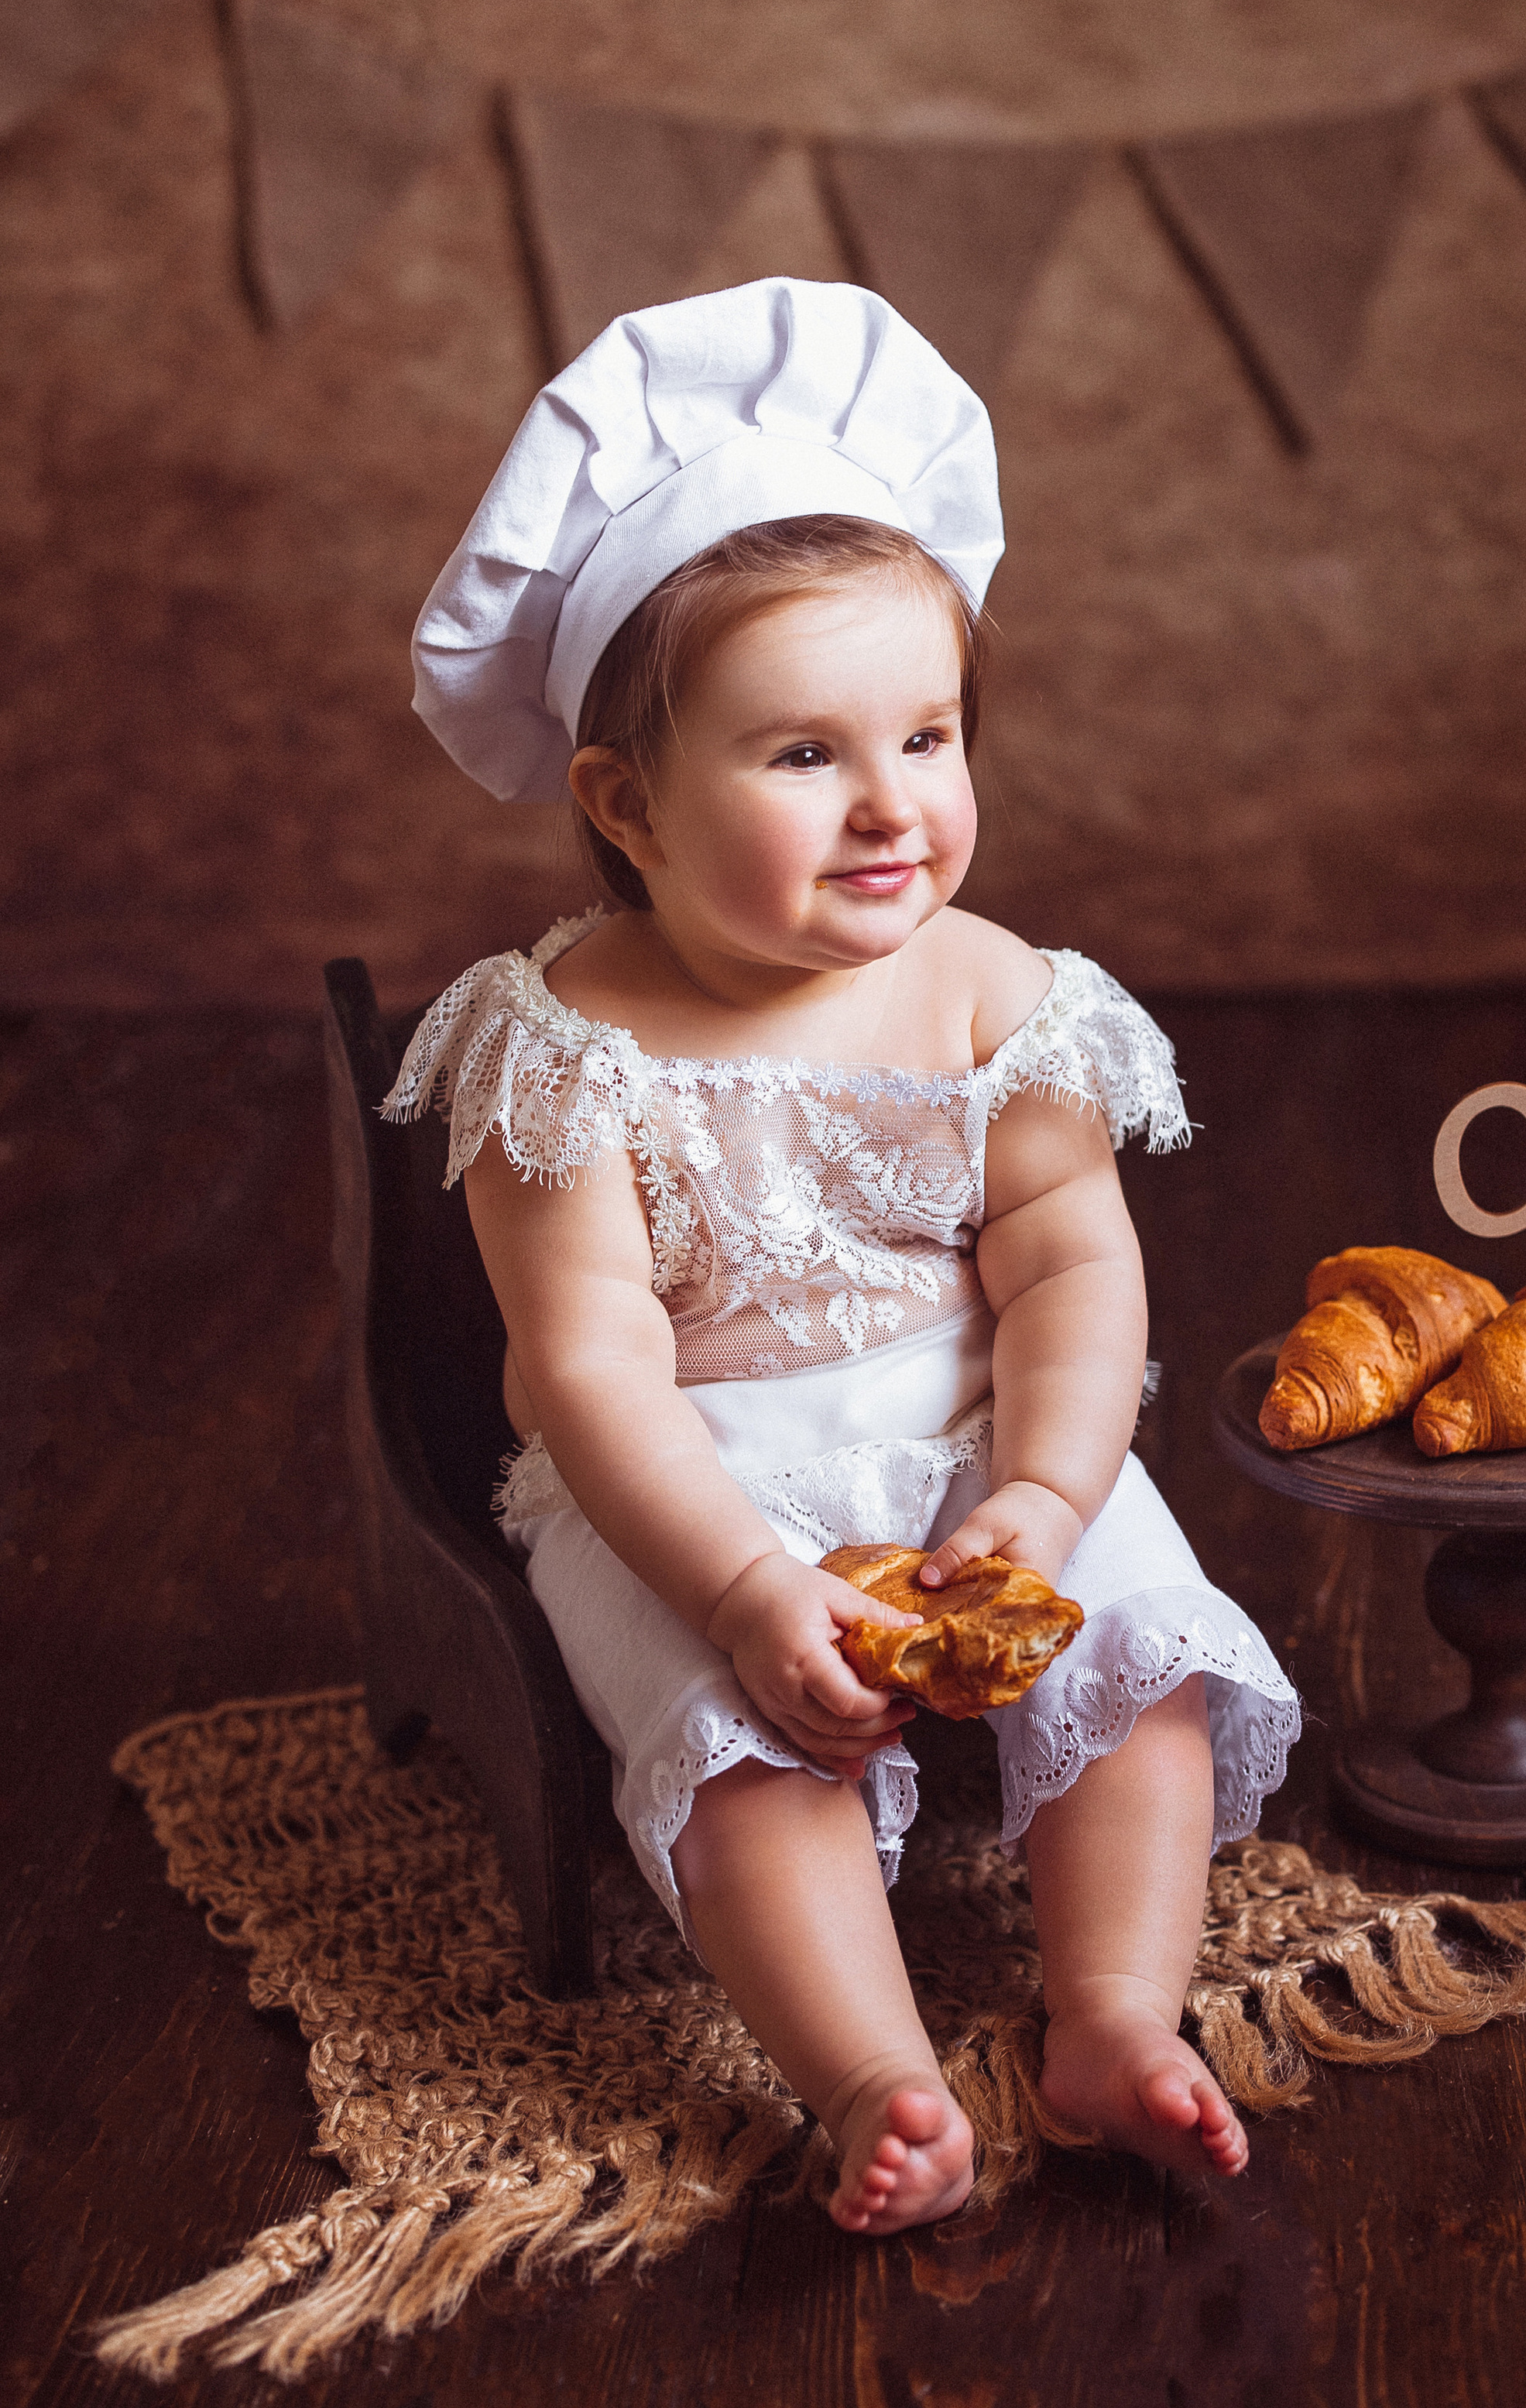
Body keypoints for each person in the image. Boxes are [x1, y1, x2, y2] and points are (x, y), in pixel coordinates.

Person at [387, 279, 1301, 2235]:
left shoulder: (991, 994)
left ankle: (1111, 2012)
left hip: (978, 1442)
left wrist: (1049, 1499)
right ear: (622, 804)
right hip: (688, 1489)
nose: (894, 804)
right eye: (802, 754)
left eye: (928, 732)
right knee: (750, 1777)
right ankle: (867, 2074)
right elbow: (586, 1367)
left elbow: (1064, 1263)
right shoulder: (565, 1051)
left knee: (1137, 1674)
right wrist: (732, 1588)